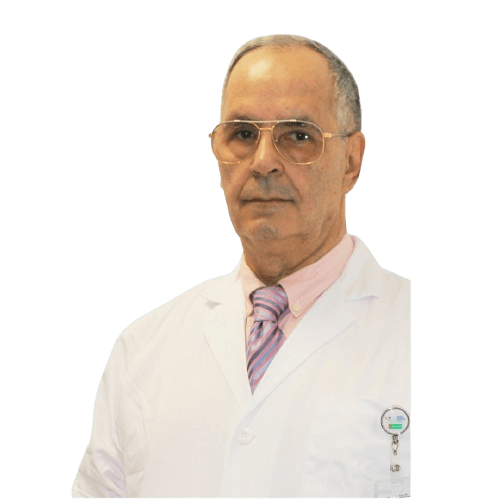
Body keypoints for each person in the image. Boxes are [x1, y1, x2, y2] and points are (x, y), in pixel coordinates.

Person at [72, 33, 411, 499]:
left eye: (298, 136)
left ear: (351, 161)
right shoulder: (143, 350)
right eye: (243, 135)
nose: (263, 162)